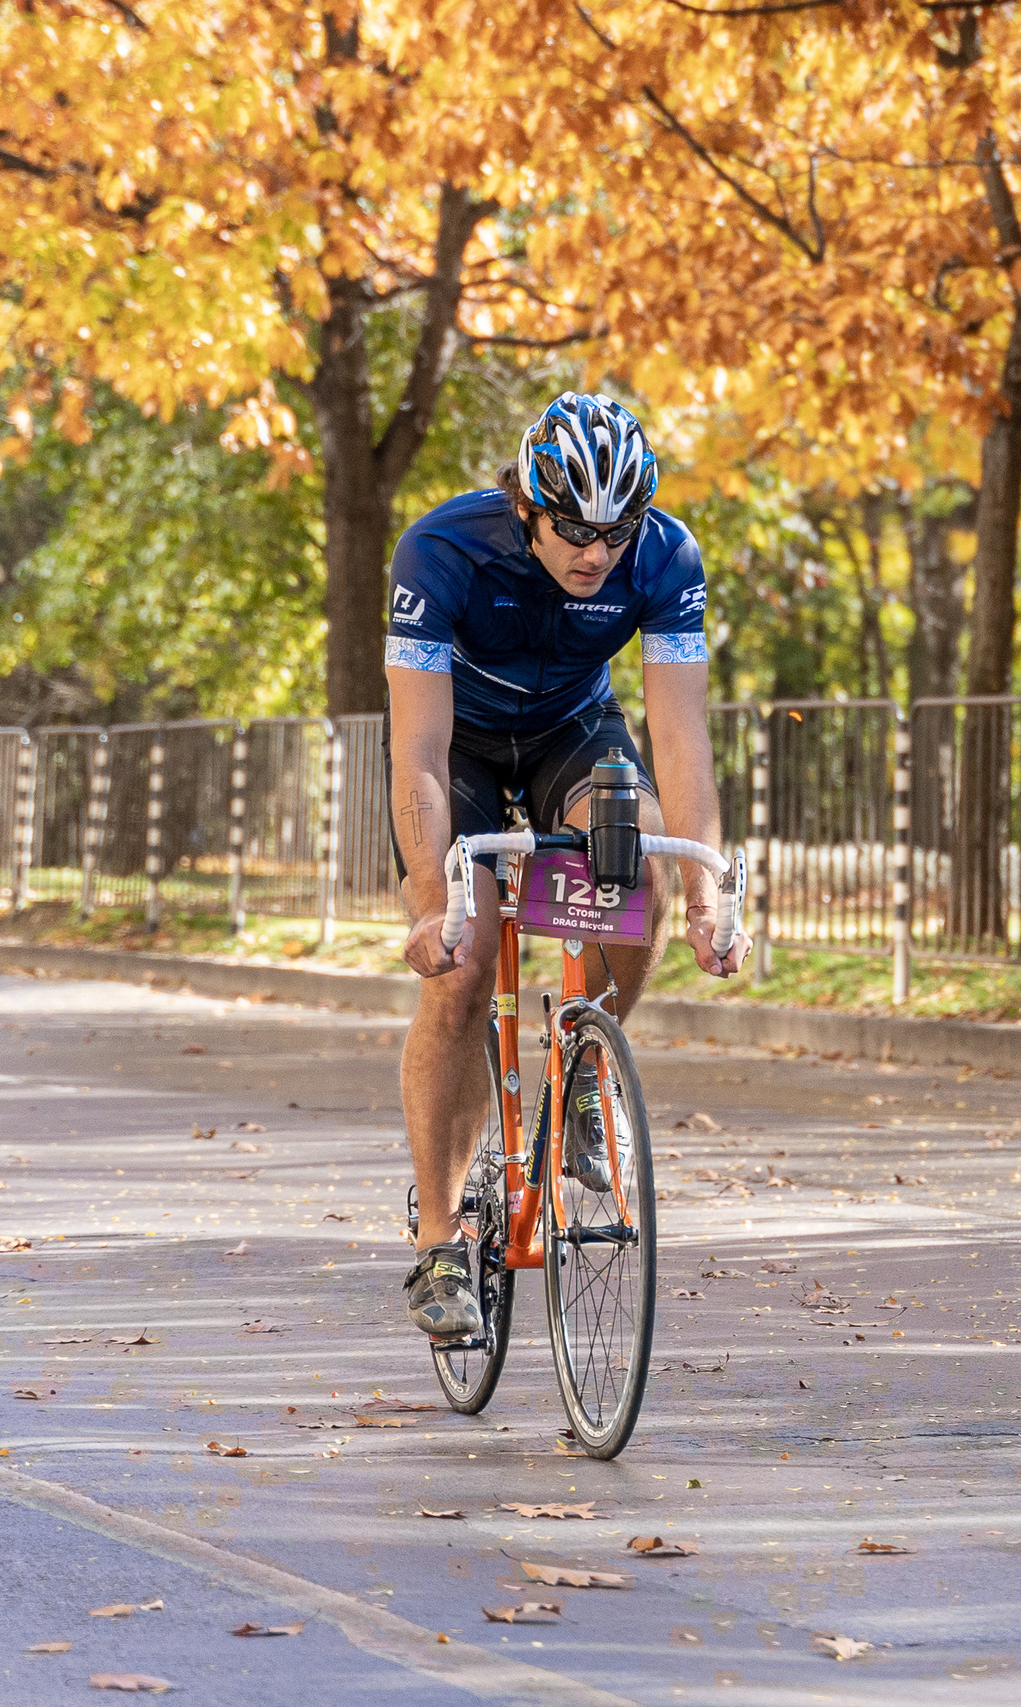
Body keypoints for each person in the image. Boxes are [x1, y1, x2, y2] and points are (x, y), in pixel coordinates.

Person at [385, 393, 751, 1340]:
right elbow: (417, 751)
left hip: (568, 734)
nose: (596, 553)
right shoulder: (442, 552)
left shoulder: (667, 559)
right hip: (458, 745)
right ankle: (437, 1239)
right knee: (463, 967)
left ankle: (584, 1065)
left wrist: (710, 892)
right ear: (526, 506)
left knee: (642, 864)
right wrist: (435, 905)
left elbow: (679, 734)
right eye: (573, 529)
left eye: (616, 532)